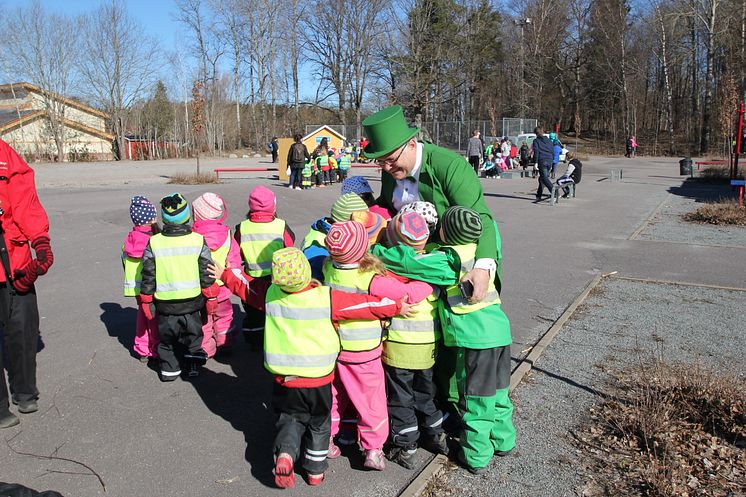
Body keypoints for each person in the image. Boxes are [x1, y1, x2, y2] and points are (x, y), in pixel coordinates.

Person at [210, 247, 413, 488]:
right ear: (307, 272)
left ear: (276, 277)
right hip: (318, 379)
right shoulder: (325, 297)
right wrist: (395, 307)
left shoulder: (270, 294)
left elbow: (246, 287)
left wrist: (225, 273)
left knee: (290, 419)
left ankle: (285, 453)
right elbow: (363, 306)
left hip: (284, 379)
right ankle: (315, 471)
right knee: (319, 423)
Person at [373, 206, 515, 475]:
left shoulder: (447, 262)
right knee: (499, 393)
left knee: (477, 399)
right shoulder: (482, 252)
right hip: (500, 331)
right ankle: (504, 439)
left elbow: (407, 263)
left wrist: (377, 251)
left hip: (478, 340)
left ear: (444, 233)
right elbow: (491, 227)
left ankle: (476, 455)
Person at [362, 105, 502, 303]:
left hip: (448, 267)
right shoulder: (390, 171)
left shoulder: (449, 166)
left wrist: (483, 266)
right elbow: (386, 205)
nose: (385, 167)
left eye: (390, 160)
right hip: (407, 266)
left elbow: (481, 218)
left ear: (411, 144)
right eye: (380, 161)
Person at [375, 212, 448, 470]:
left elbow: (378, 291)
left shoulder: (388, 270)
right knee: (426, 393)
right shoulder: (434, 269)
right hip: (427, 346)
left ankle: (405, 446)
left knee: (400, 397)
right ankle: (436, 434)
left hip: (397, 345)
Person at [0, 139, 54, 429]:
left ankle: (25, 392)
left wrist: (41, 241)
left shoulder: (5, 154)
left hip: (15, 260)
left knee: (23, 328)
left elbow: (24, 201)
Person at [139, 193, 219, 381]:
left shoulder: (154, 242)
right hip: (193, 302)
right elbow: (206, 270)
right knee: (193, 337)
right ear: (186, 218)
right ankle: (193, 366)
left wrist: (146, 297)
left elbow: (148, 273)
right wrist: (210, 294)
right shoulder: (198, 240)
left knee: (166, 340)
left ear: (165, 219)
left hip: (165, 305)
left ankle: (169, 370)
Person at [235, 186, 294, 350]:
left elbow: (237, 249)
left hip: (250, 278)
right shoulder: (280, 225)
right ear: (273, 205)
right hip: (276, 278)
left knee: (253, 312)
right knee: (275, 309)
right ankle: (275, 340)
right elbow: (290, 243)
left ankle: (254, 341)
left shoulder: (242, 227)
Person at [191, 193, 242, 358]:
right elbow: (234, 259)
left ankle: (206, 349)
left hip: (201, 288)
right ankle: (225, 342)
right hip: (222, 287)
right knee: (224, 317)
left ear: (198, 214)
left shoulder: (193, 237)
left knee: (204, 320)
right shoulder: (227, 235)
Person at [121, 196, 160, 363]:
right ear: (151, 218)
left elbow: (124, 263)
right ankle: (156, 348)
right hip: (152, 286)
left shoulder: (128, 241)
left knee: (143, 317)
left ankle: (142, 348)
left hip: (136, 288)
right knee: (154, 318)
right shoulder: (153, 241)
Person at [531, 126, 555, 201]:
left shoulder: (536, 141)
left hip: (542, 160)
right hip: (550, 160)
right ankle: (539, 195)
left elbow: (536, 151)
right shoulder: (549, 141)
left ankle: (554, 192)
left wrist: (535, 162)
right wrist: (552, 160)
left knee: (544, 178)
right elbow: (552, 151)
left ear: (536, 134)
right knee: (542, 178)